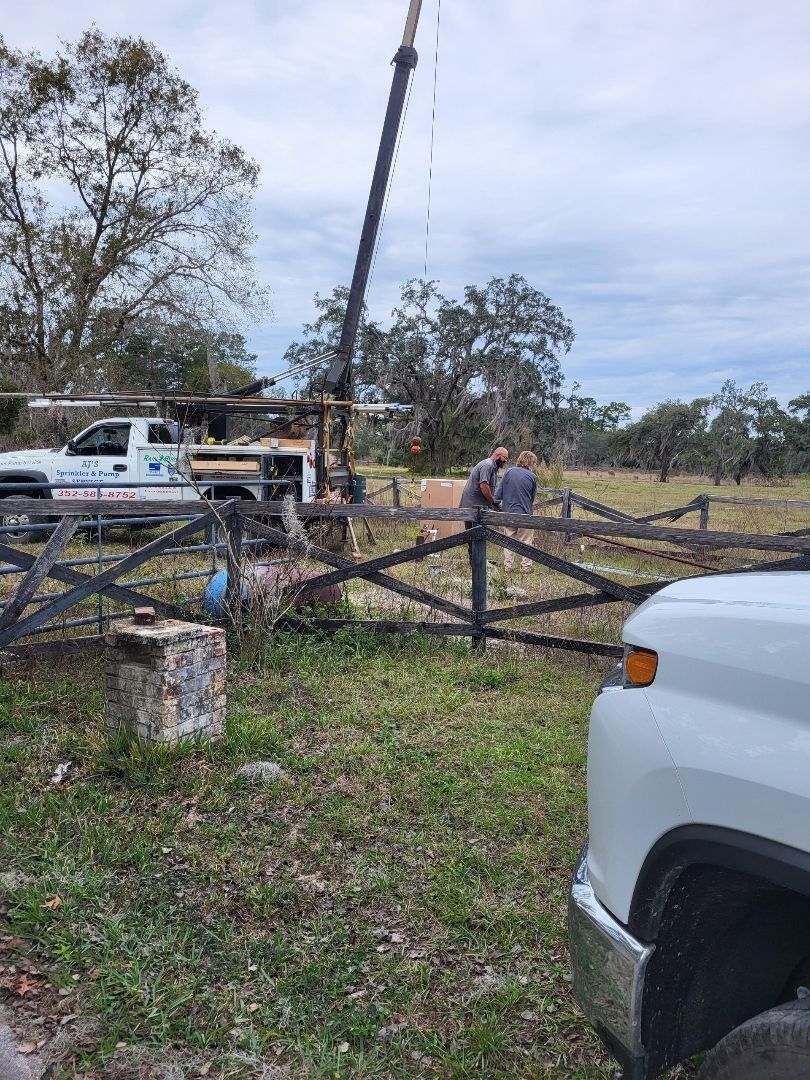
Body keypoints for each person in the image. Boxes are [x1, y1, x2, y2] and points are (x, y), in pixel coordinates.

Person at [495, 450, 539, 571]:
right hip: (524, 513)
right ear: (531, 462)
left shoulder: (508, 472)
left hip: (508, 513)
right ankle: (526, 567)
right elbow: (532, 498)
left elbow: (498, 494)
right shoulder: (532, 477)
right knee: (526, 541)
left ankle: (508, 566)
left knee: (509, 541)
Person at [459, 447, 509, 527]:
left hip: (478, 507)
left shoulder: (493, 467)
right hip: (473, 508)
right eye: (505, 458)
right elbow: (484, 485)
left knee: (476, 536)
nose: (505, 461)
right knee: (476, 535)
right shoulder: (487, 465)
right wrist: (492, 501)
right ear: (498, 455)